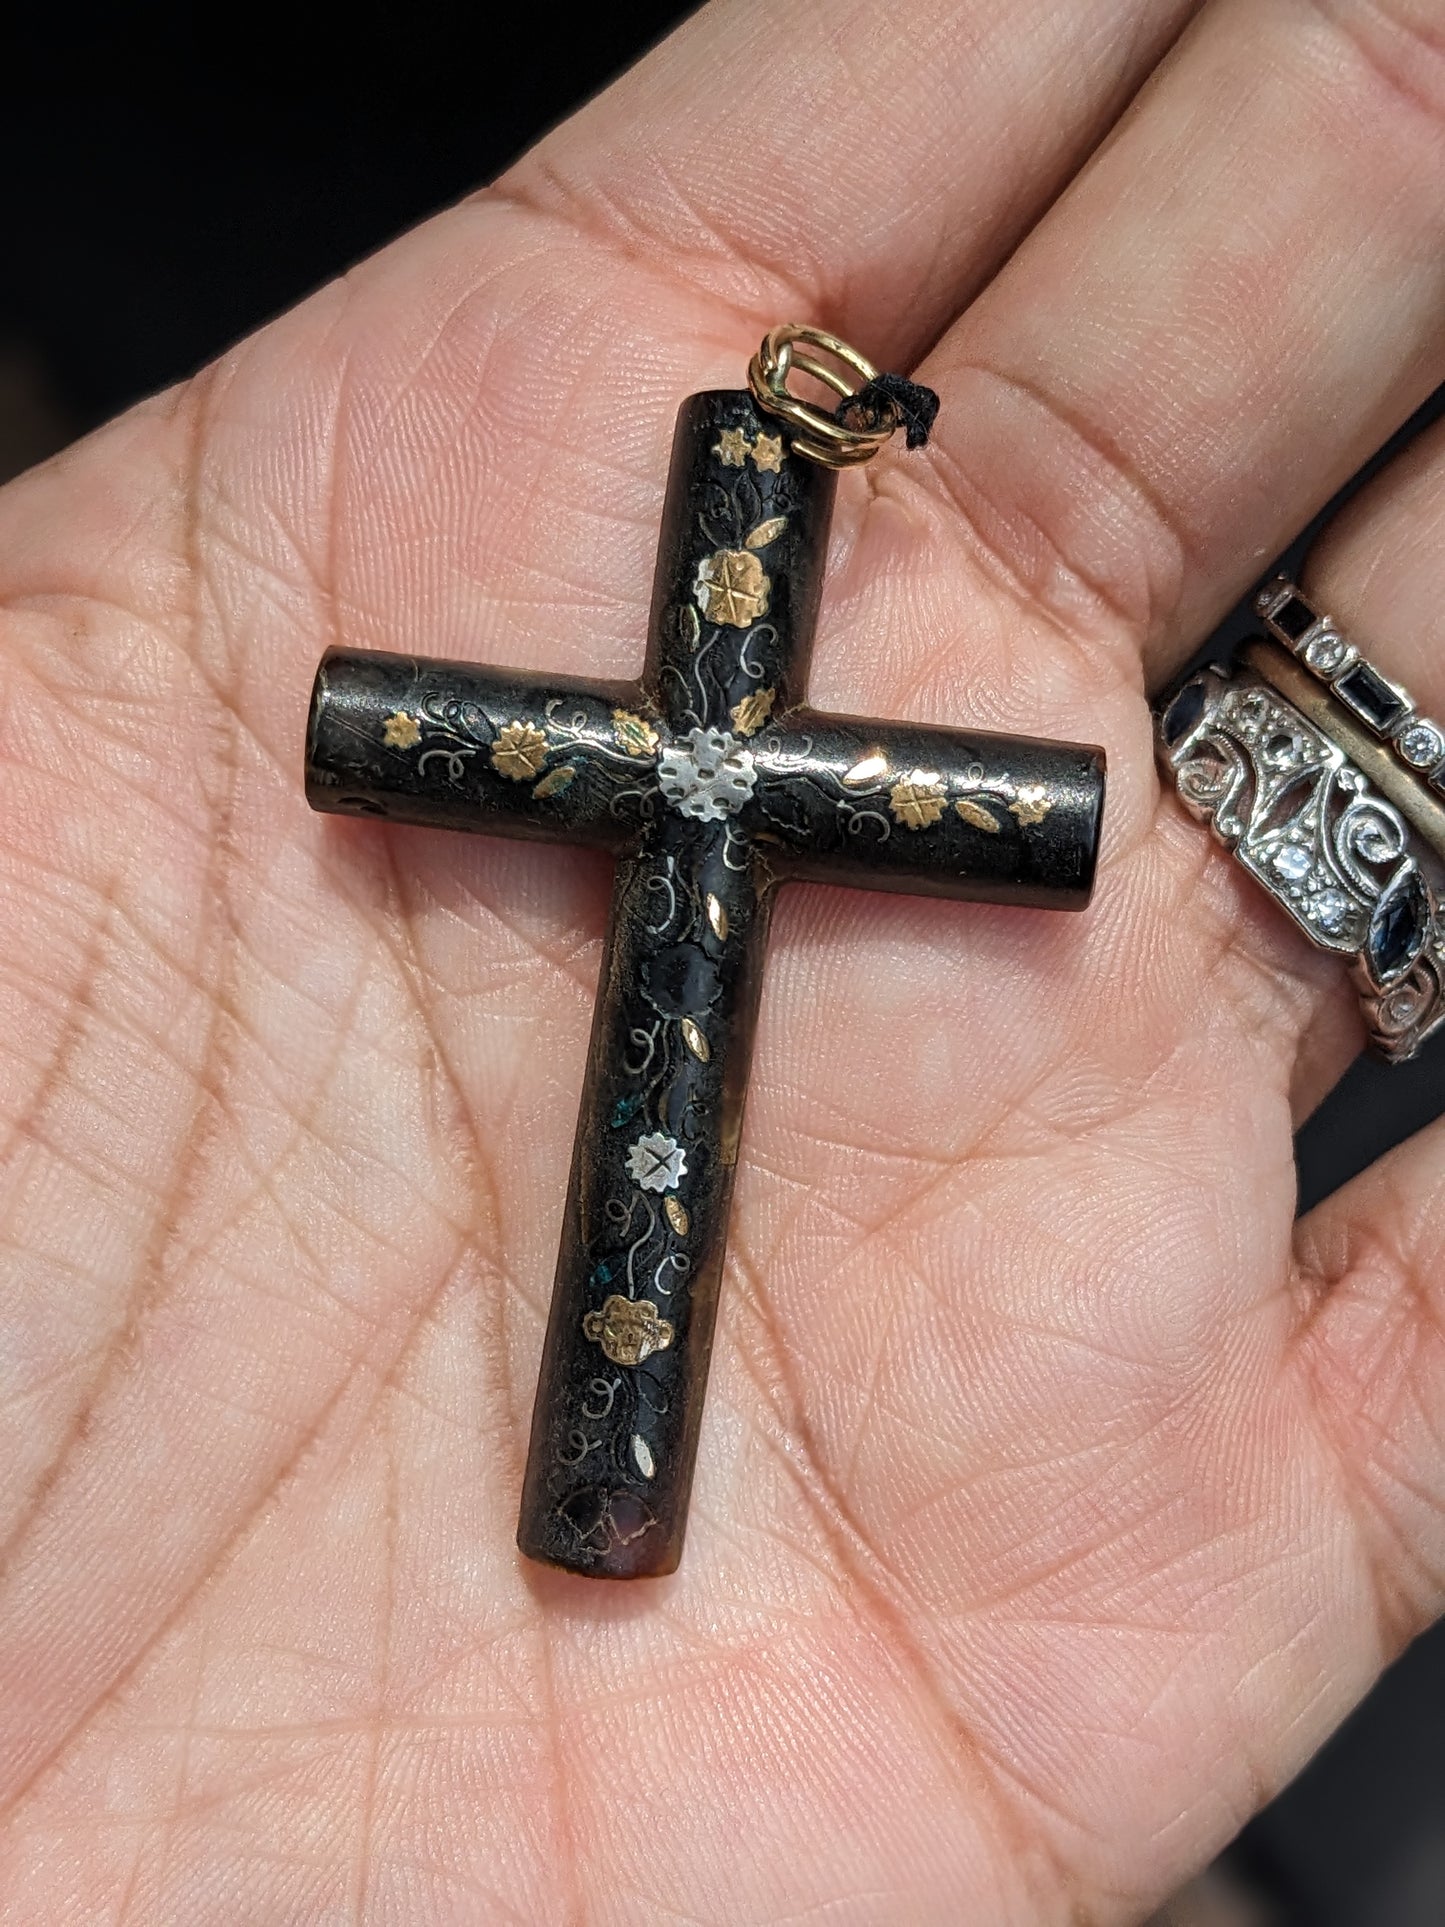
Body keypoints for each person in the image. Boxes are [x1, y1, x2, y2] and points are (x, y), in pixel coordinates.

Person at [0, 0, 1442, 1918]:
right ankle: (601, 1502)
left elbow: (919, 797)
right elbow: (406, 730)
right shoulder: (708, 731)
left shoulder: (718, 741)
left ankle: (605, 1502)